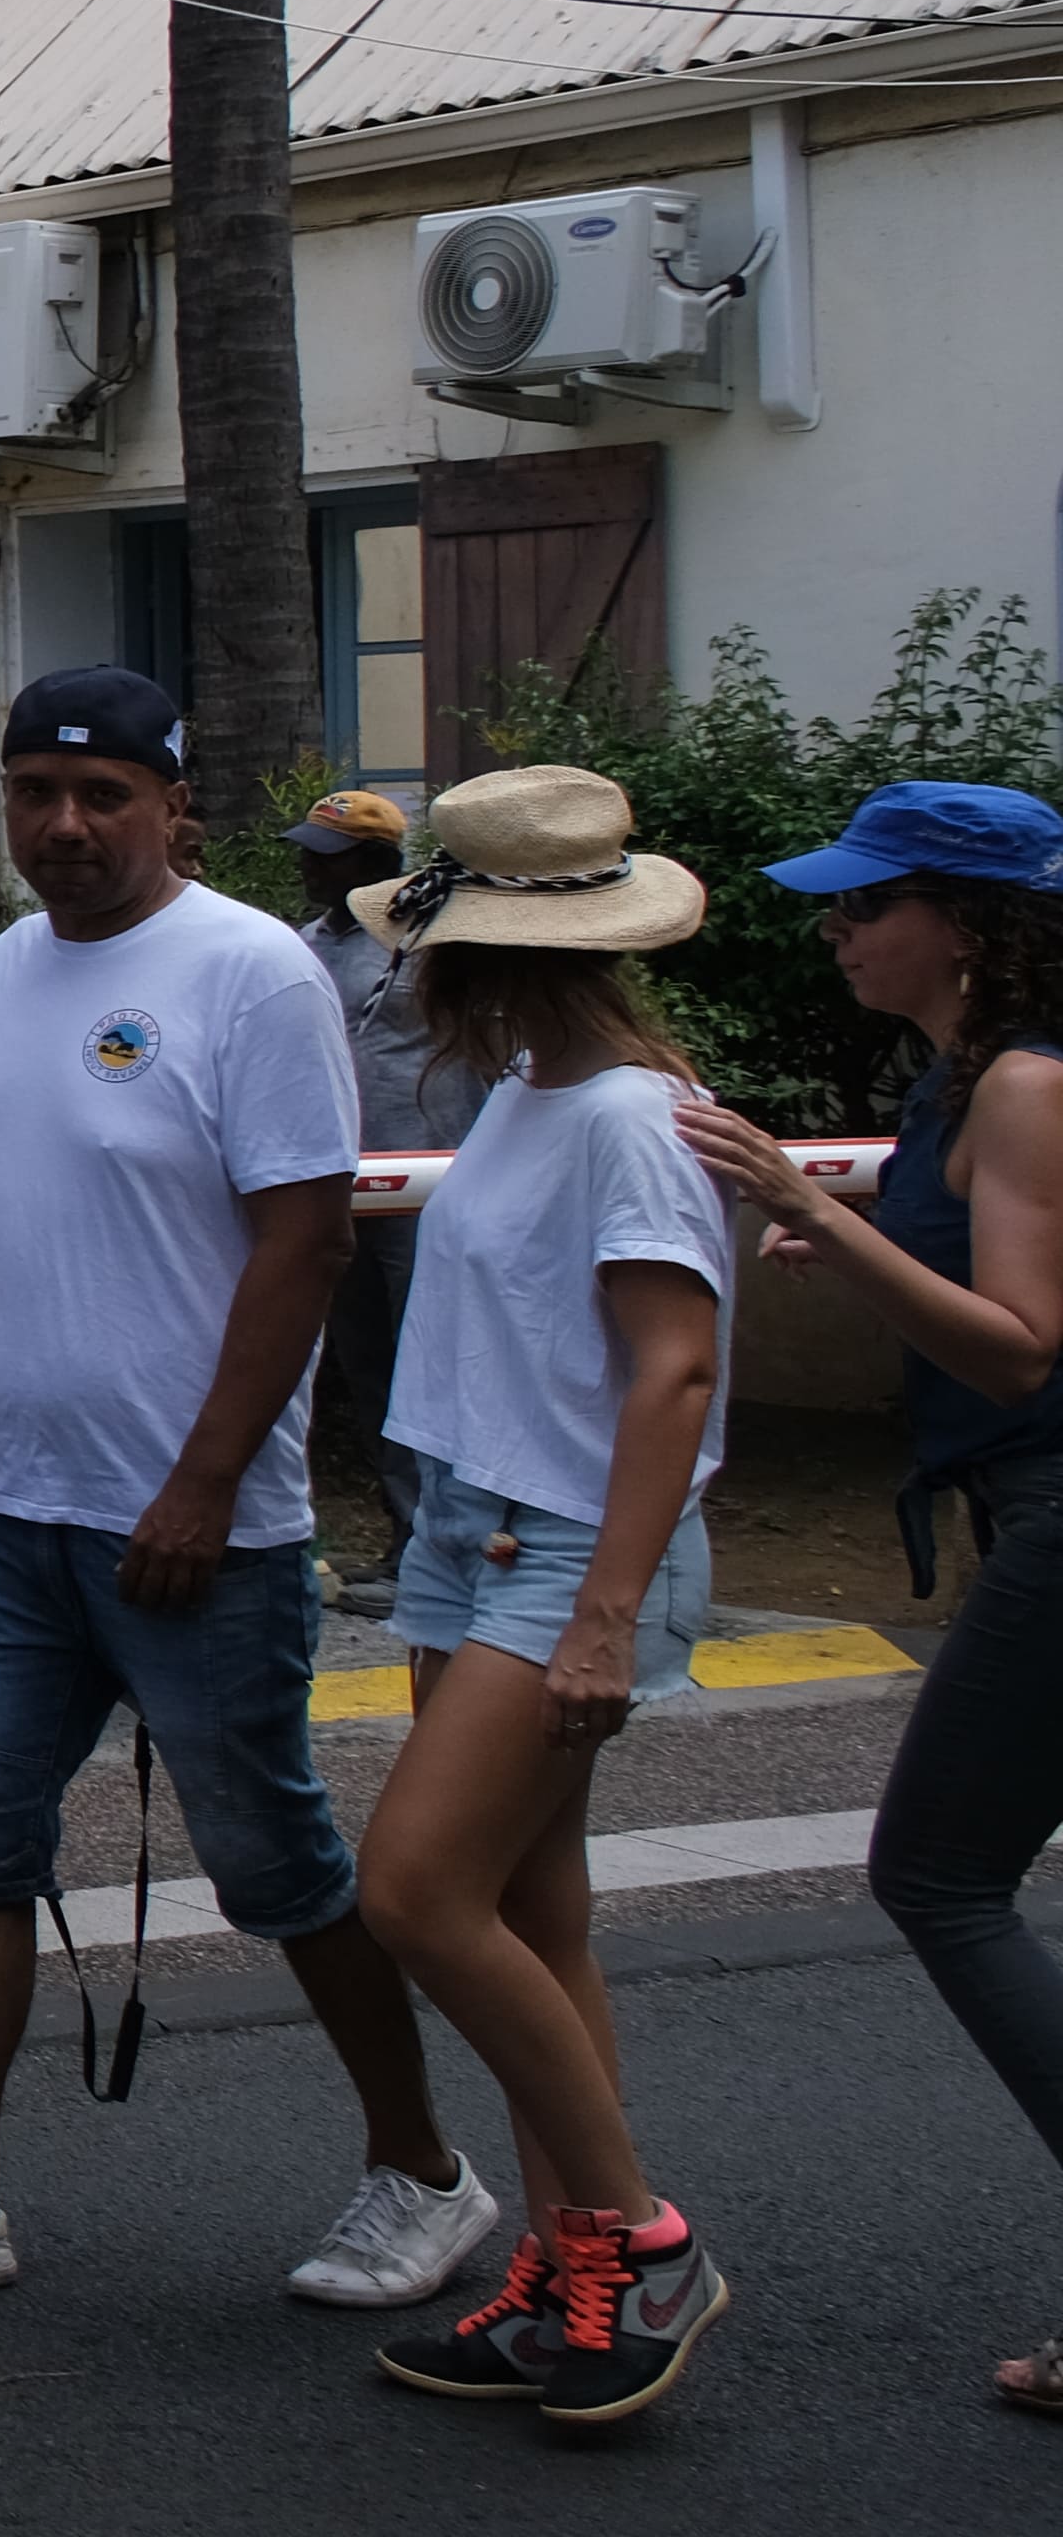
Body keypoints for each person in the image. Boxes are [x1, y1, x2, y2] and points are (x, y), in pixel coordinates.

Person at [0, 667, 490, 2312]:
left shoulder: (252, 975)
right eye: (33, 794)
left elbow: (306, 1241)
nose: (64, 827)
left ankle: (422, 2171)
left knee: (277, 1858)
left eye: (102, 798)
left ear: (176, 810)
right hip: (11, 1509)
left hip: (197, 1528)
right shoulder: (12, 966)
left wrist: (204, 1484)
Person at [332, 767, 737, 2425]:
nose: (399, 973)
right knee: (531, 1911)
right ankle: (579, 2261)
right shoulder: (530, 1090)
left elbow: (676, 1371)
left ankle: (638, 2237)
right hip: (476, 1526)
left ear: (484, 955)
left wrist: (603, 1611)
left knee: (417, 1893)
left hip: (564, 1545)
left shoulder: (627, 1117)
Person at [678, 779, 1063, 2419]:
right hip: (1024, 1511)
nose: (834, 928)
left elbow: (1023, 1340)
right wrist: (842, 1243)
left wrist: (812, 1206)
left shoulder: (1025, 1084)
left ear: (967, 924)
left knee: (940, 1870)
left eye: (864, 903)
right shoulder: (966, 1078)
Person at [294, 787, 489, 1600]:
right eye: (306, 849)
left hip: (428, 1184)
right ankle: (410, 1537)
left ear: (375, 862)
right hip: (339, 1188)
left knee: (433, 1368)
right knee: (371, 1366)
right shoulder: (299, 945)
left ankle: (458, 1542)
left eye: (325, 853)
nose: (307, 865)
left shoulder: (437, 940)